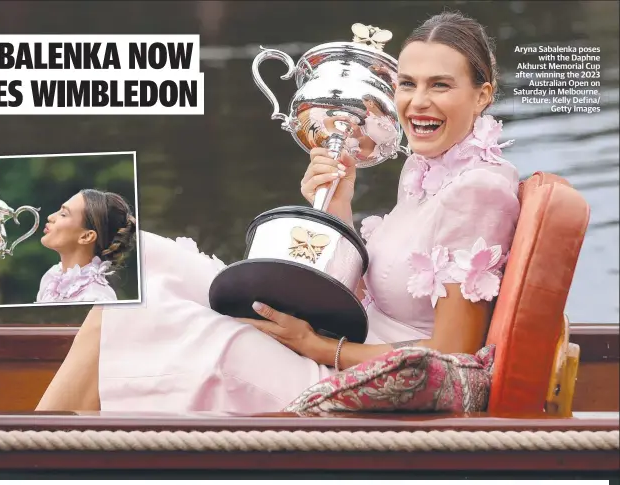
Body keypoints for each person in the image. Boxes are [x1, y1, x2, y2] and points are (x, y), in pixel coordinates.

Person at [36, 12, 520, 413]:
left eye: (440, 85)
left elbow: (453, 353)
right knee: (141, 264)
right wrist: (341, 201)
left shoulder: (476, 191)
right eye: (408, 84)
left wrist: (316, 346)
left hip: (356, 377)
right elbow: (375, 287)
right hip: (346, 337)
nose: (418, 102)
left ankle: (31, 449)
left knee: (128, 316)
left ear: (483, 94)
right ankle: (53, 439)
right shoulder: (429, 168)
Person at [0, 189, 137, 305]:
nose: (51, 216)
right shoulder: (51, 278)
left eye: (64, 214)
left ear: (86, 236)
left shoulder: (98, 298)